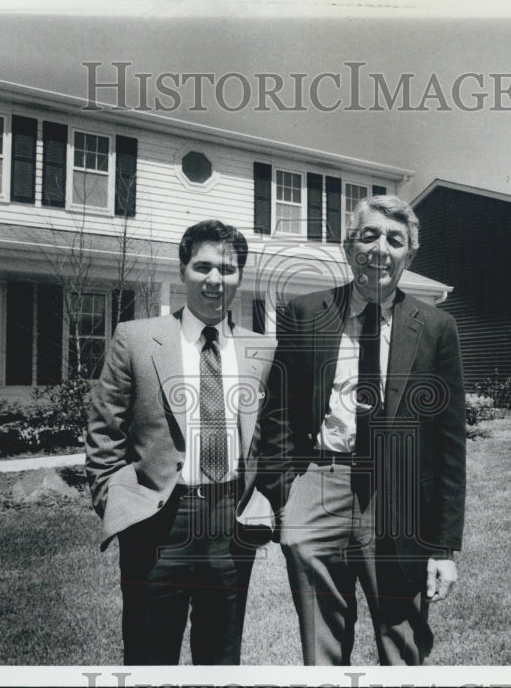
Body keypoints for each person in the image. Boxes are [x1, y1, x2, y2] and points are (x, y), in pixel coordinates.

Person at [258, 194, 467, 665]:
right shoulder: (307, 313)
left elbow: (450, 445)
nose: (380, 249)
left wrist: (444, 546)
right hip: (320, 481)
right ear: (348, 246)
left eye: (395, 240)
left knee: (402, 639)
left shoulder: (436, 328)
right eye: (369, 235)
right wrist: (282, 492)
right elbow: (277, 411)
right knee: (321, 643)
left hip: (399, 496)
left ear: (409, 255)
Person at [86, 220, 276, 665]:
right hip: (157, 522)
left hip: (231, 525)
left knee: (221, 657)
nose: (215, 280)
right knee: (149, 655)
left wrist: (262, 497)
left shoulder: (261, 350)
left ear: (240, 277)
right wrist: (118, 501)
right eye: (203, 266)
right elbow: (103, 429)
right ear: (183, 270)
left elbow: (271, 435)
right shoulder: (136, 339)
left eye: (227, 269)